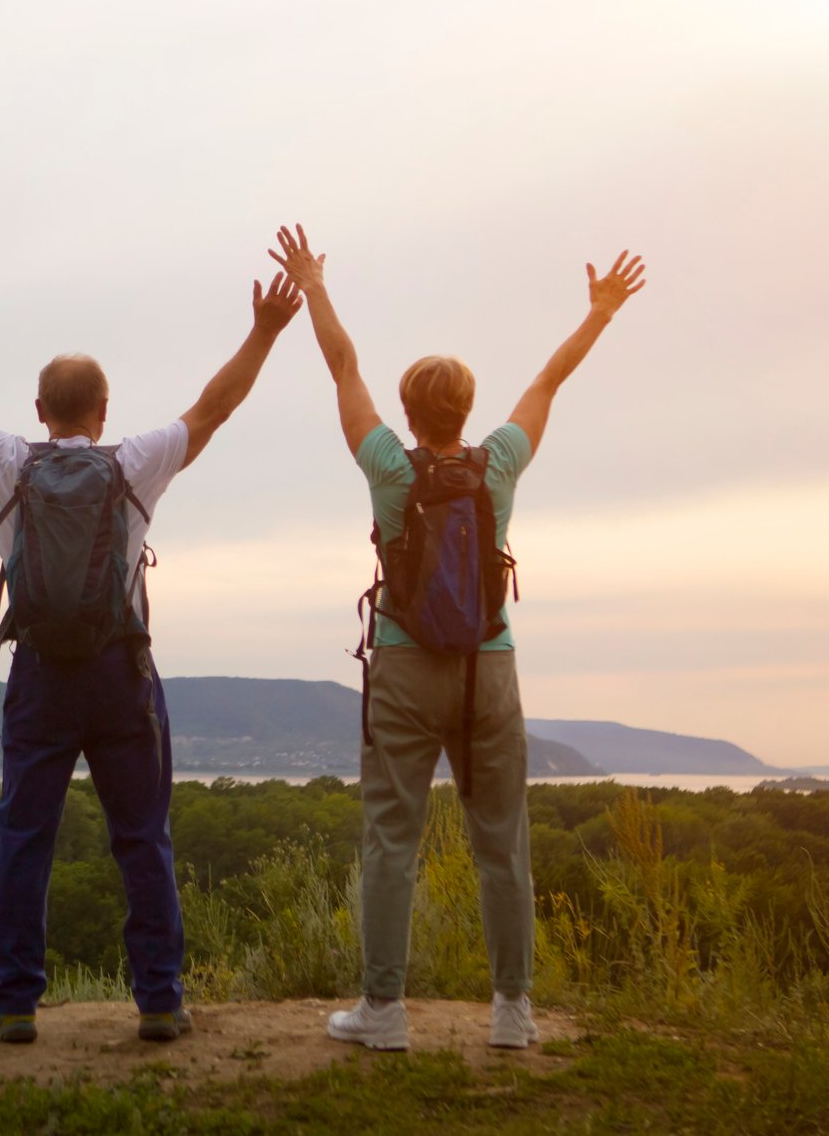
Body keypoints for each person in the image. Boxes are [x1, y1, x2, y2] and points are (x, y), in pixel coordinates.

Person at [0, 271, 303, 1044]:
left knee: (25, 837)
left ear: (39, 411)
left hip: (41, 676)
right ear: (104, 412)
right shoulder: (137, 462)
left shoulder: (7, 460)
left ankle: (13, 1002)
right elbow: (215, 408)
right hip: (121, 676)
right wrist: (267, 330)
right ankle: (159, 1002)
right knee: (141, 837)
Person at [266, 224, 646, 1053]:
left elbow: (342, 366)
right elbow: (549, 378)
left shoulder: (388, 468)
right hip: (488, 668)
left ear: (406, 412)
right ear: (467, 410)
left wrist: (314, 286)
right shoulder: (499, 462)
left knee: (390, 841)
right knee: (500, 843)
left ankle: (384, 1012)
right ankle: (512, 1012)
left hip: (404, 668)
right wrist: (600, 313)